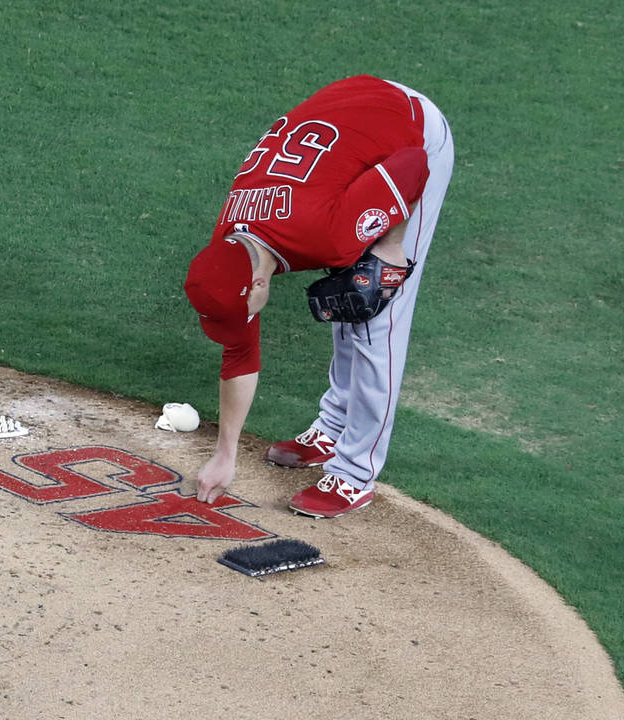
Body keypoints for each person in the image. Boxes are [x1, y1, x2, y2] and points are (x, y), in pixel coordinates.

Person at [184, 75, 454, 518]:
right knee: (347, 287)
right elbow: (238, 354)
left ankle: (354, 474)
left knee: (374, 309)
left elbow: (413, 165)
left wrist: (389, 248)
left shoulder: (324, 233)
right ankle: (332, 427)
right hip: (347, 125)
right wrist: (224, 454)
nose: (240, 324)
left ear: (257, 285)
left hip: (411, 127)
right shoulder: (229, 244)